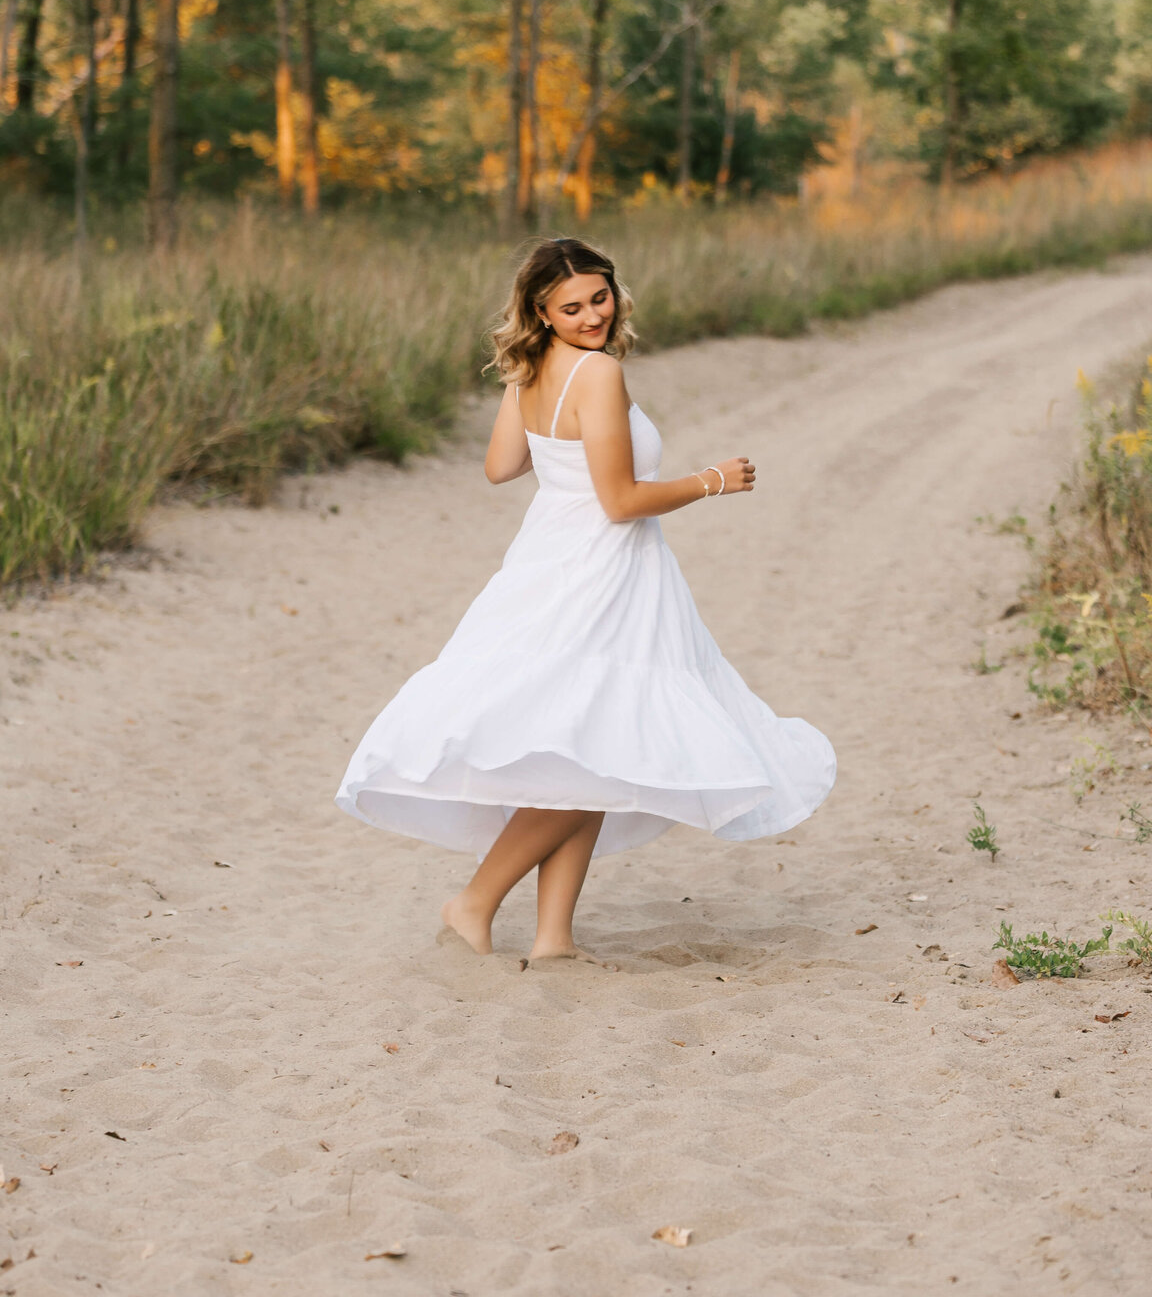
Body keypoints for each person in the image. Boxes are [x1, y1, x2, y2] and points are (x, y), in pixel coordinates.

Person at [336, 236, 835, 961]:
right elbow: (622, 500)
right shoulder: (597, 375)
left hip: (553, 559)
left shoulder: (536, 368)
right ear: (541, 309)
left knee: (598, 742)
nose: (592, 315)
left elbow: (503, 465)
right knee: (595, 751)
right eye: (570, 307)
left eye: (599, 298)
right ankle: (473, 901)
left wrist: (523, 379)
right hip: (599, 570)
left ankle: (553, 937)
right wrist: (712, 479)